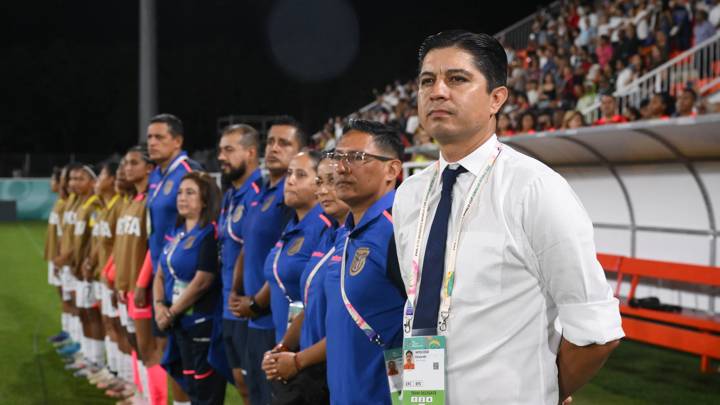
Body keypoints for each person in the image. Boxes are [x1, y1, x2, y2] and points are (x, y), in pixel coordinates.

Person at [393, 30, 623, 404]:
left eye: (457, 79)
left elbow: (597, 332)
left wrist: (545, 393)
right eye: (427, 81)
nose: (437, 91)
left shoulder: (534, 189)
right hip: (421, 394)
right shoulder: (409, 194)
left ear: (496, 99)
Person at [323, 119, 406, 405]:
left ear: (392, 170)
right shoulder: (345, 232)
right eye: (338, 156)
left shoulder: (401, 230)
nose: (342, 167)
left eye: (357, 157)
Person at [261, 155, 351, 405]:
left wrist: (298, 360)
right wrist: (283, 347)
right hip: (312, 365)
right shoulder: (331, 234)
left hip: (331, 367)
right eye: (320, 182)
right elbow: (310, 305)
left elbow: (349, 327)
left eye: (332, 181)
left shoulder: (356, 238)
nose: (323, 190)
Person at [231, 117, 303, 405]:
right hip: (254, 316)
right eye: (271, 142)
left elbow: (286, 263)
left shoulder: (293, 198)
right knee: (254, 390)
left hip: (274, 318)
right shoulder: (263, 193)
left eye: (284, 143)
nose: (274, 148)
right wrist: (237, 292)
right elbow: (248, 247)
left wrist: (256, 302)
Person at [154, 172, 228, 404]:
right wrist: (158, 307)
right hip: (178, 324)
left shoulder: (210, 234)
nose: (182, 198)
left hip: (200, 325)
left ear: (205, 200)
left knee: (205, 391)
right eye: (179, 192)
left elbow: (203, 281)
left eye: (190, 192)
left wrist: (171, 312)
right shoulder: (176, 233)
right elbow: (159, 274)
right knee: (190, 388)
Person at [144, 113, 201, 404]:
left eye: (159, 137)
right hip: (161, 278)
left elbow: (204, 228)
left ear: (177, 141)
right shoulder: (157, 174)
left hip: (185, 282)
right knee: (171, 355)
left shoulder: (189, 172)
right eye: (149, 137)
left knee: (189, 361)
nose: (151, 142)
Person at [216, 124, 262, 404]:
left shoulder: (258, 194)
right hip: (227, 304)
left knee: (254, 382)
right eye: (221, 149)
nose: (221, 156)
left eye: (229, 150)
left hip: (249, 307)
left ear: (251, 152)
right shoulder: (232, 194)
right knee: (240, 380)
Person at [113, 146, 157, 403]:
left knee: (148, 349)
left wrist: (140, 283)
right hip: (127, 287)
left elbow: (153, 247)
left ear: (149, 168)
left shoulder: (151, 201)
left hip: (144, 289)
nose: (127, 168)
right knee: (136, 345)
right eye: (125, 163)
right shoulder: (132, 200)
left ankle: (154, 400)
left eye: (133, 163)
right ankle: (141, 395)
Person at [45, 167, 70, 345]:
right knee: (63, 295)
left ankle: (69, 332)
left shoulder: (65, 204)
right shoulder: (60, 202)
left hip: (62, 258)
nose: (52, 183)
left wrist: (59, 256)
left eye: (54, 179)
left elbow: (64, 234)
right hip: (56, 255)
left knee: (67, 296)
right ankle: (67, 330)